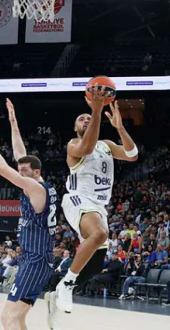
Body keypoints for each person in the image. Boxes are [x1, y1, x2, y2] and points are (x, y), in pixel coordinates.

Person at [54, 86, 139, 313]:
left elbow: (132, 155)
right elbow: (87, 146)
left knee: (94, 265)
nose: (85, 119)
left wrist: (120, 128)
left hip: (99, 206)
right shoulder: (73, 144)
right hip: (77, 198)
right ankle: (67, 284)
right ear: (75, 127)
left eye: (88, 117)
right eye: (81, 118)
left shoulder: (108, 145)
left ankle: (62, 288)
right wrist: (98, 112)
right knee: (100, 233)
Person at [0, 108, 60, 330]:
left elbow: (1, 168)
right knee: (18, 318)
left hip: (36, 259)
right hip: (35, 258)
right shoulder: (38, 183)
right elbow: (20, 154)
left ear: (36, 172)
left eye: (23, 171)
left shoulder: (36, 188)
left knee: (8, 318)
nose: (19, 173)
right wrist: (14, 124)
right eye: (19, 171)